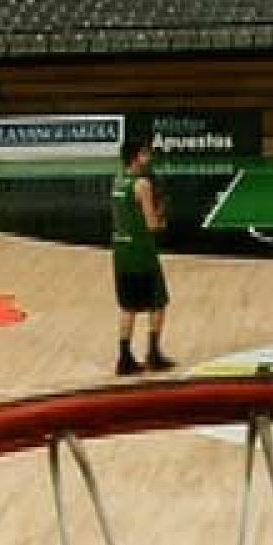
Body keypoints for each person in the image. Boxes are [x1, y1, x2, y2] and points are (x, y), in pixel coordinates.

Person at [111, 135, 175, 375]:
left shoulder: (117, 181)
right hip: (142, 252)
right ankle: (154, 354)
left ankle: (124, 358)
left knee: (127, 307)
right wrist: (161, 212)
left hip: (120, 252)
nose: (149, 157)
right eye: (145, 153)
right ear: (136, 157)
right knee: (158, 302)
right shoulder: (142, 184)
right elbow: (152, 224)